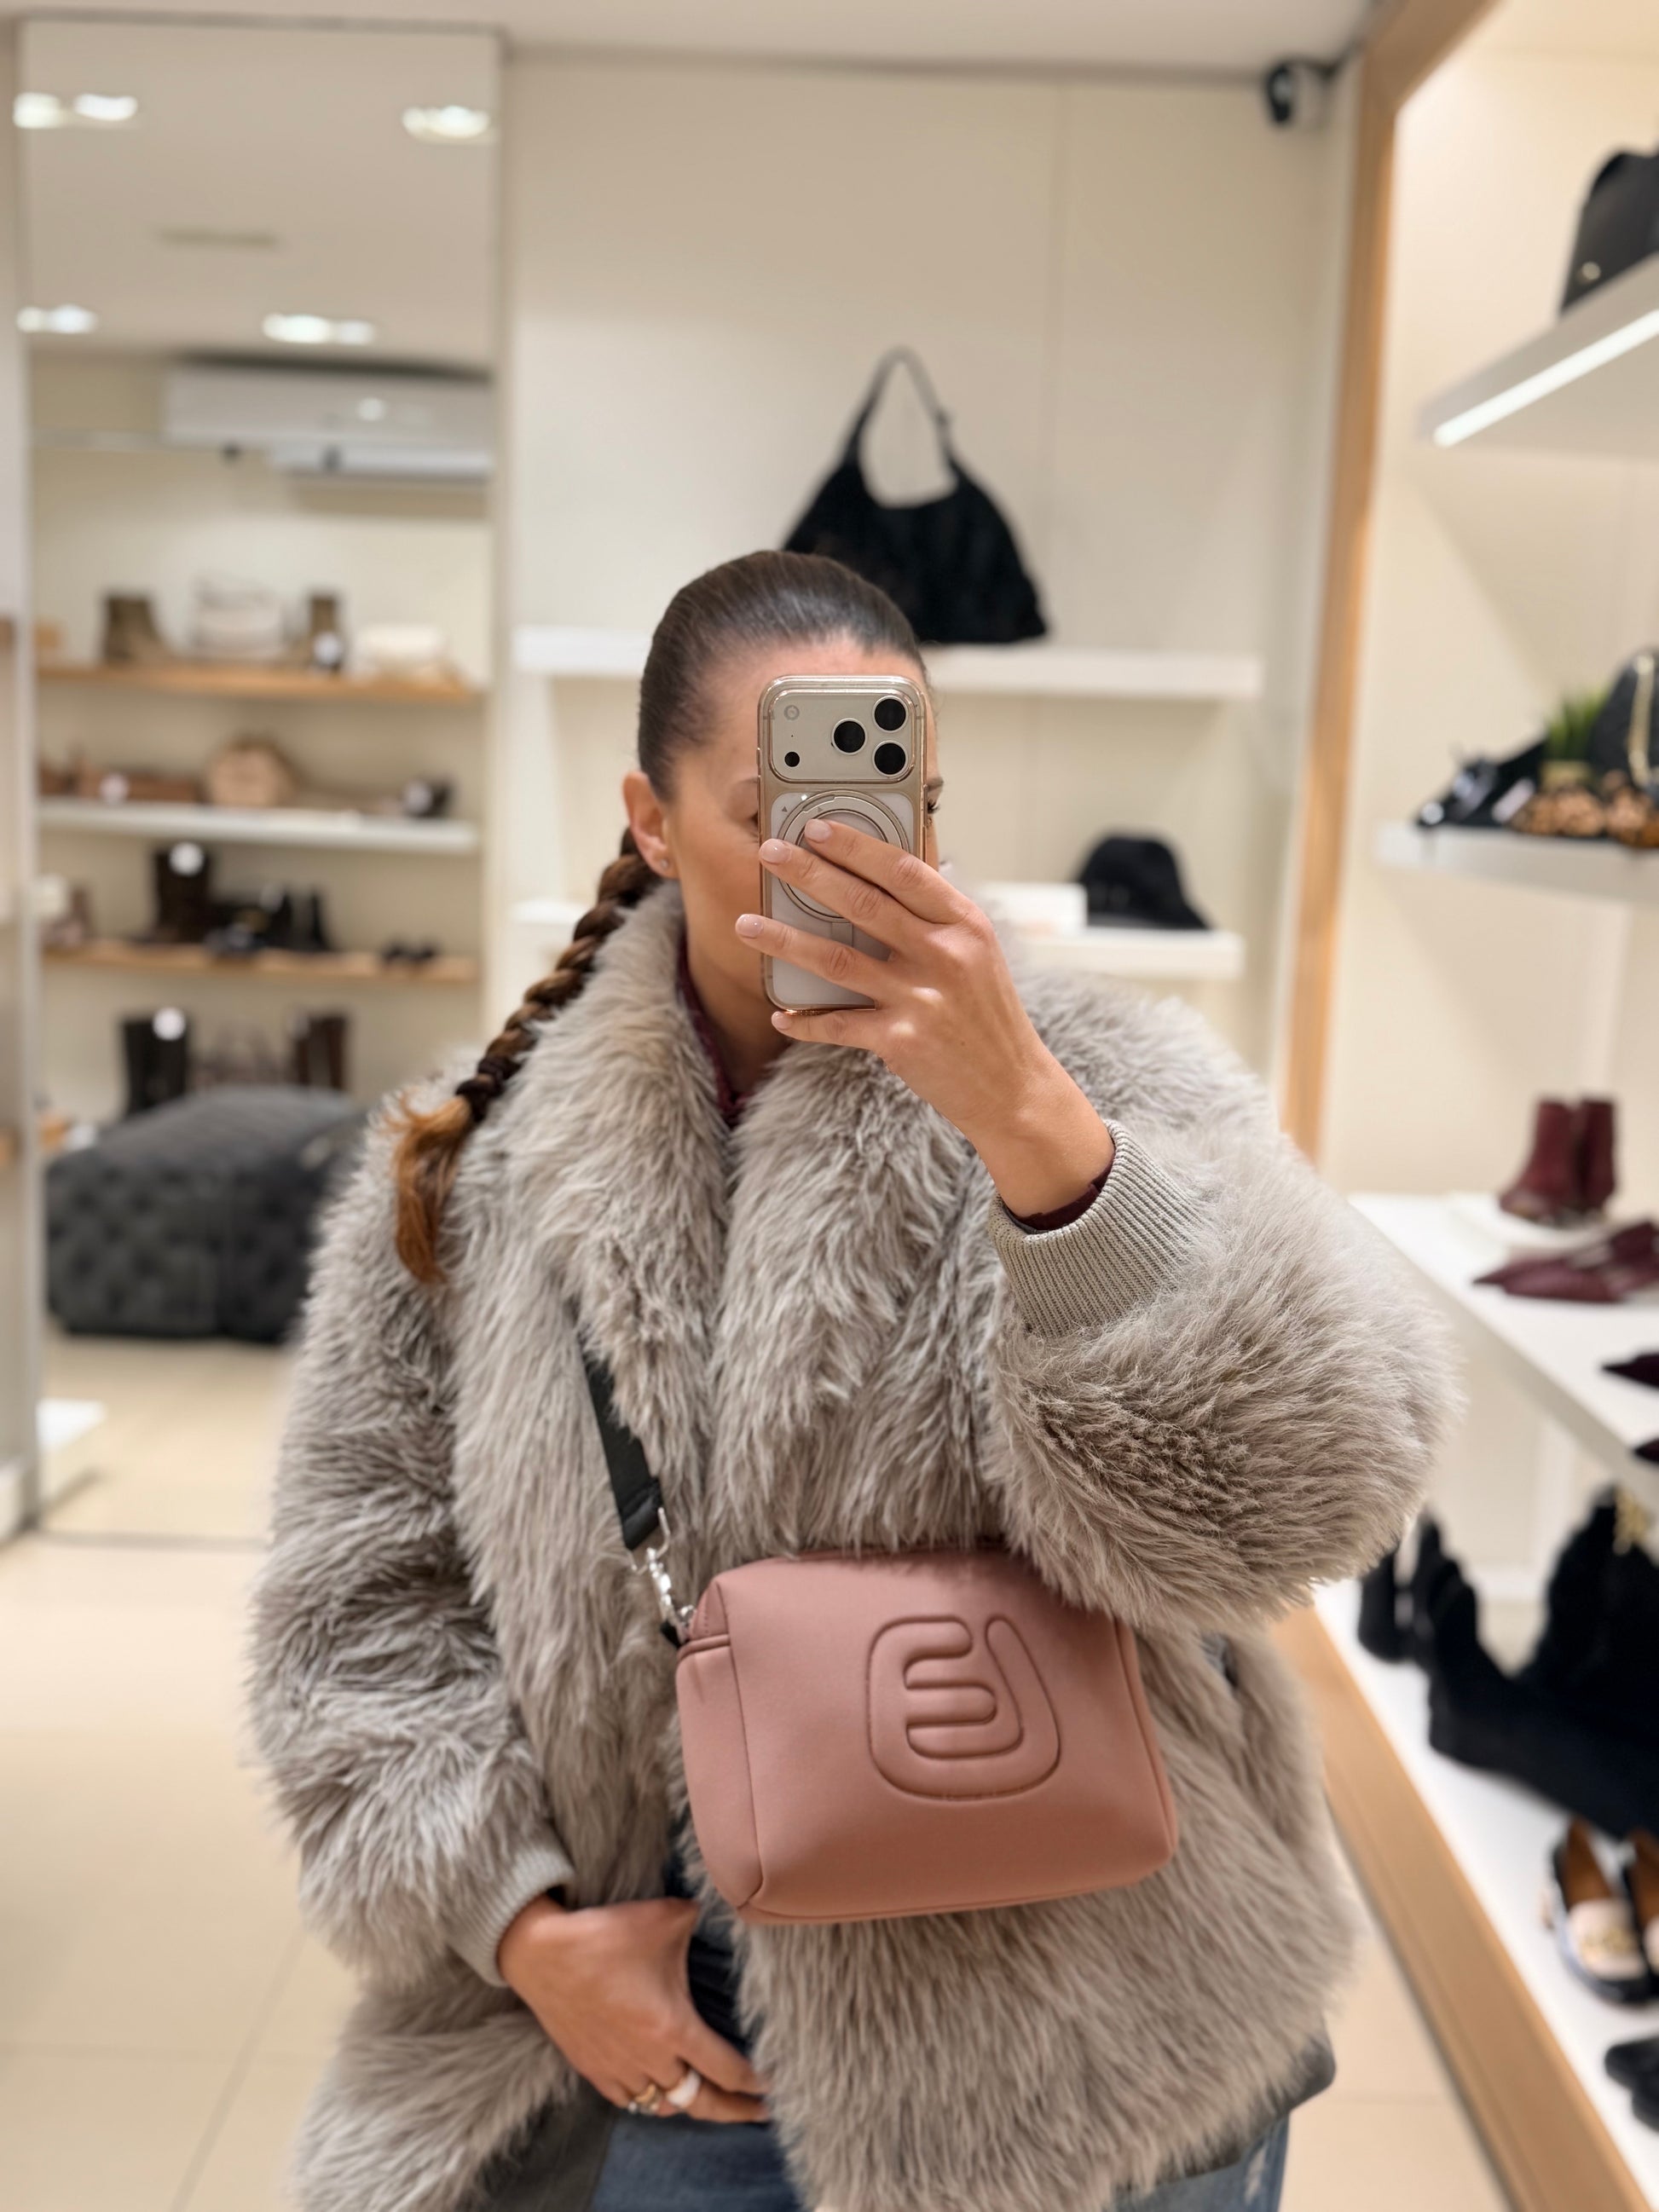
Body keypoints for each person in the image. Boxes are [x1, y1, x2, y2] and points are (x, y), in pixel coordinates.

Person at [251, 550, 1454, 2212]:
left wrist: (1040, 1143)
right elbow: (357, 1596)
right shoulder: (473, 1166)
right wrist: (518, 1927)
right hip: (660, 2020)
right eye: (773, 810)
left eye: (891, 803)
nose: (838, 856)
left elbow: (1297, 1503)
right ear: (650, 820)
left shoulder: (1100, 1086)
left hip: (1097, 2027)